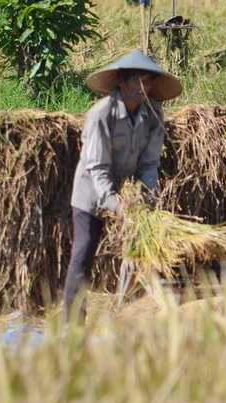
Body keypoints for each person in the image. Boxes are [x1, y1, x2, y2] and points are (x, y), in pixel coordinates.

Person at [63, 49, 182, 321]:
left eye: (148, 82)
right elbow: (97, 167)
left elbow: (150, 162)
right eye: (137, 81)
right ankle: (72, 322)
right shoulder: (101, 115)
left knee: (138, 250)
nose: (143, 88)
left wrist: (143, 195)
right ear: (122, 83)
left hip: (130, 192)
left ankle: (127, 313)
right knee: (83, 250)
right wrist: (116, 203)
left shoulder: (153, 113)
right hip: (92, 191)